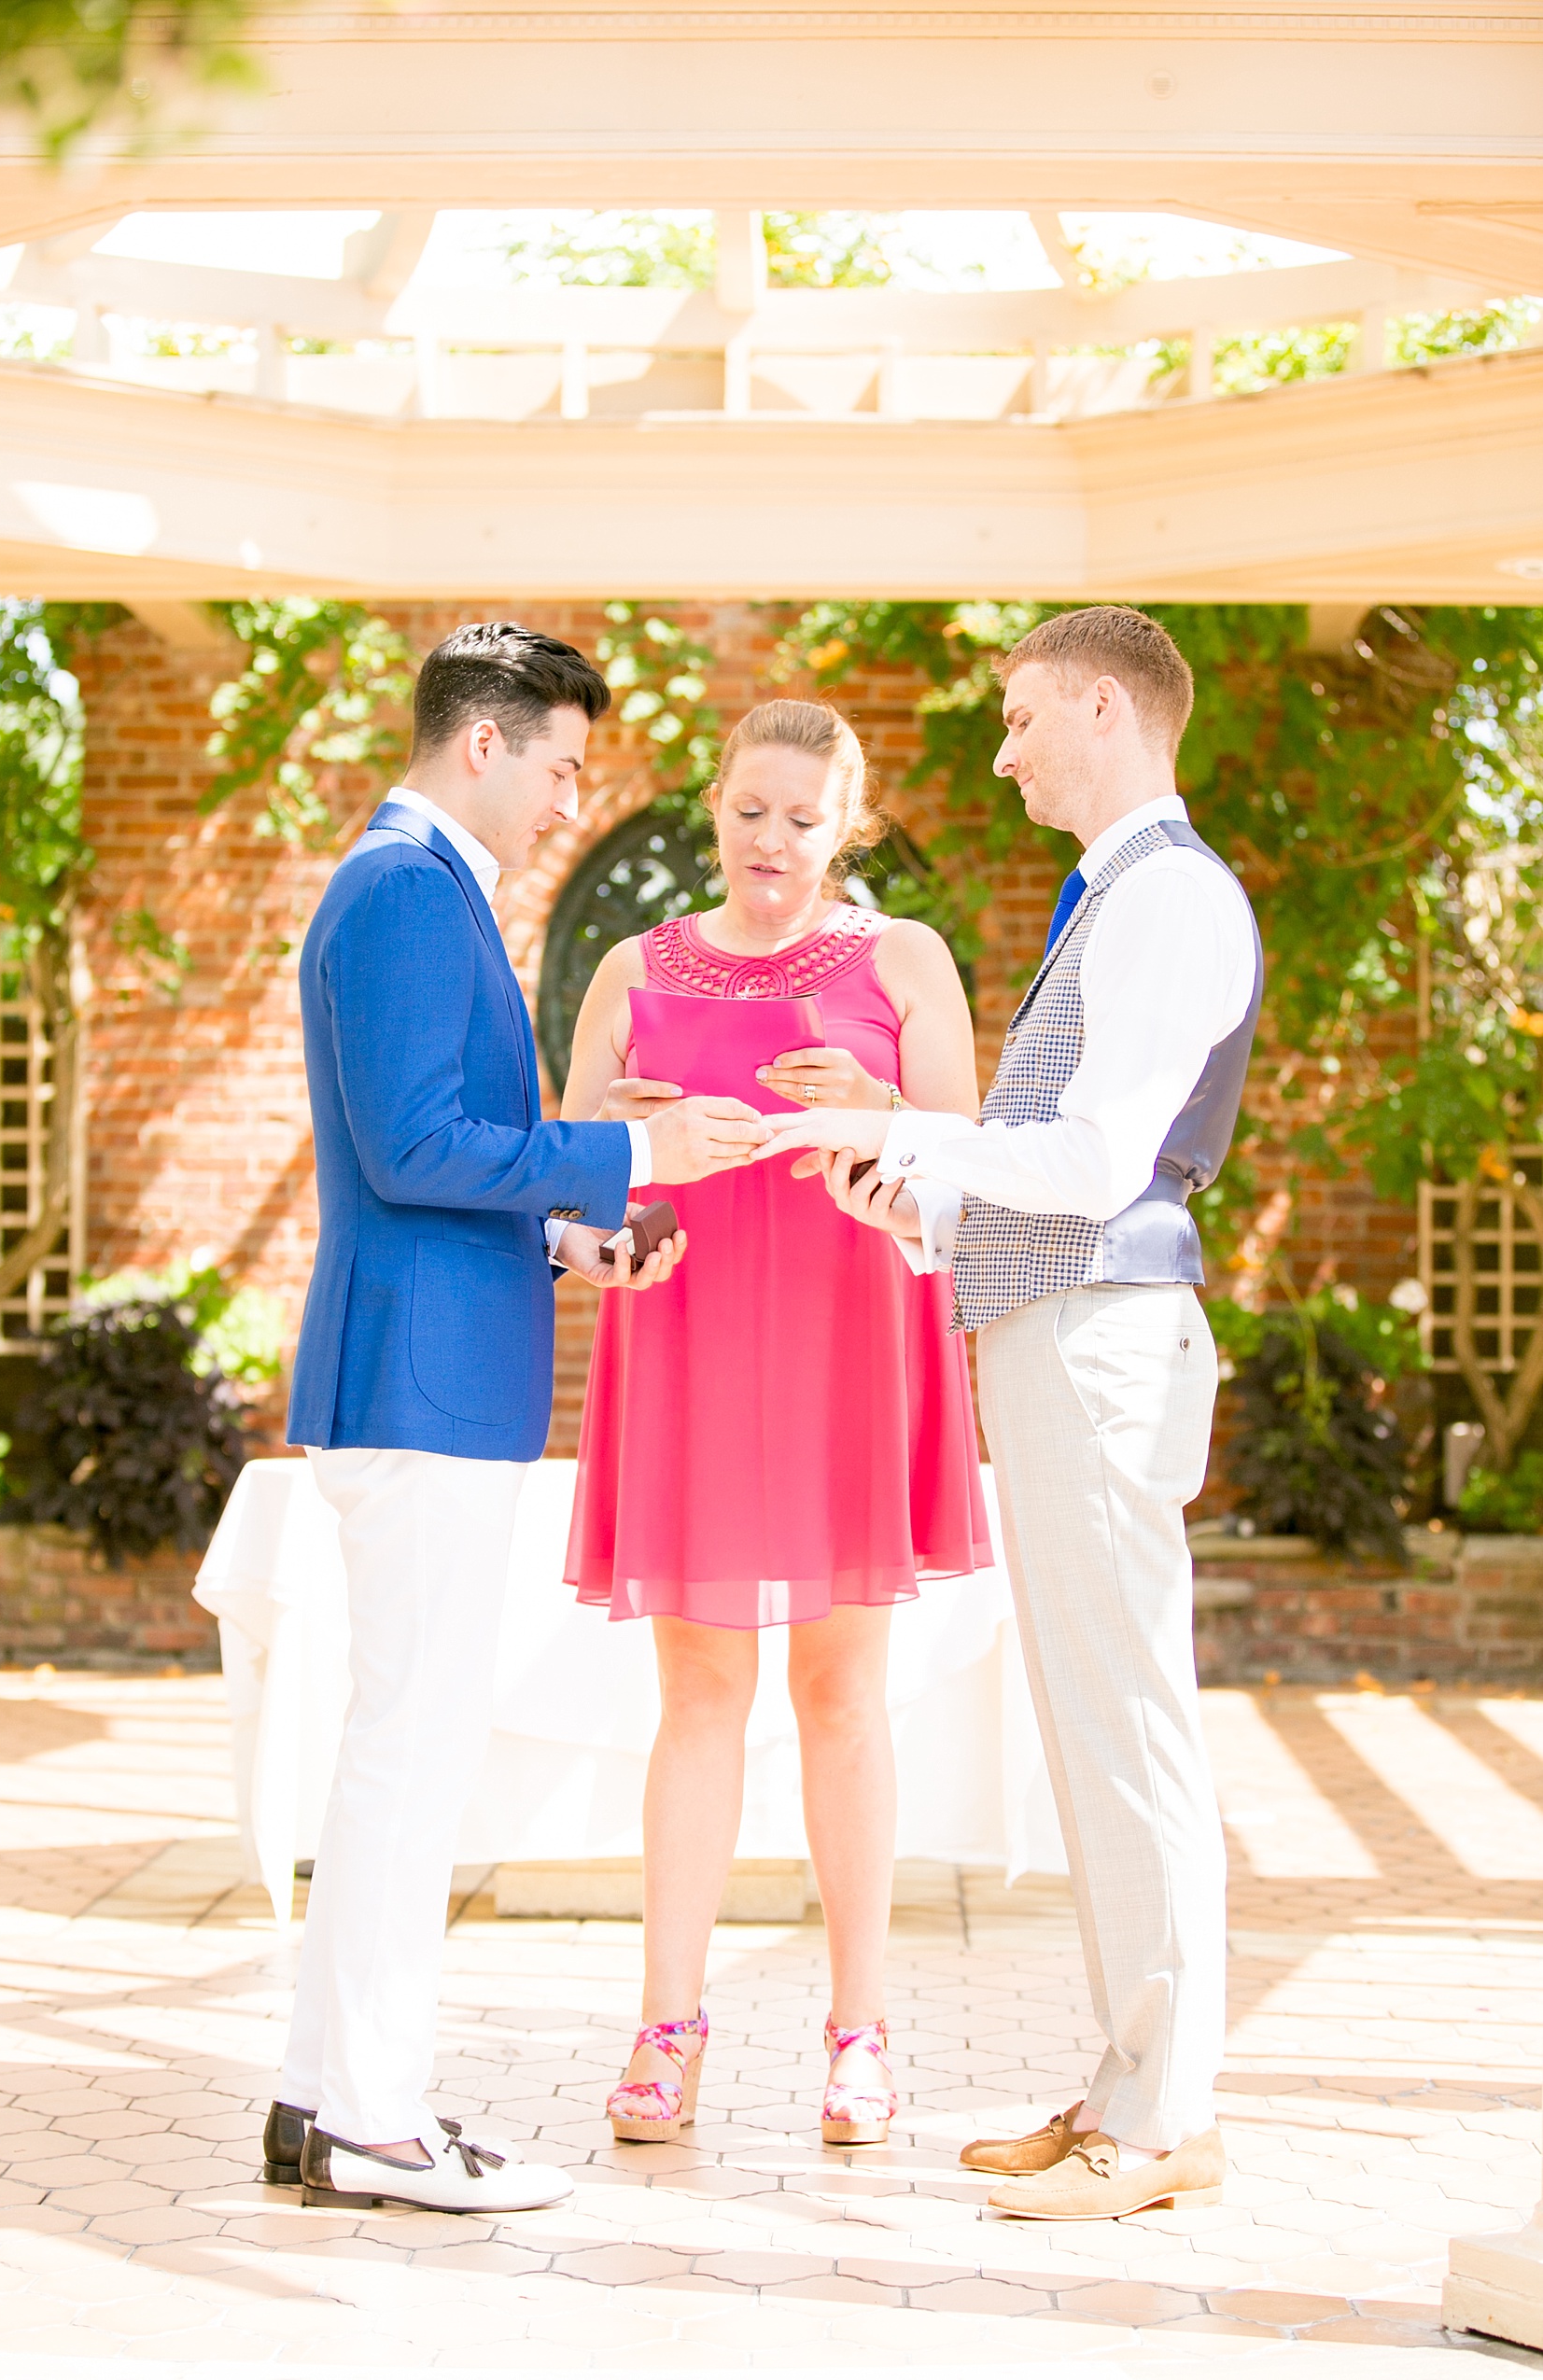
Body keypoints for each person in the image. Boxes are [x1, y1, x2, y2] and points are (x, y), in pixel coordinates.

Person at [266, 622, 771, 2216]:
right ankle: (372, 2115)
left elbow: (423, 1159)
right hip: (421, 1385)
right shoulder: (412, 891)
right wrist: (630, 1159)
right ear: (482, 742)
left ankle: (322, 2096)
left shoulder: (408, 889)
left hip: (422, 1361)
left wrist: (570, 1232)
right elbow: (417, 1145)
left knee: (394, 1752)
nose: (568, 802)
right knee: (410, 1762)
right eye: (560, 768)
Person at [764, 609, 1261, 2220]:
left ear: (1104, 706)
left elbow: (1104, 1162)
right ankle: (1133, 2080)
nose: (1004, 748)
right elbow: (1043, 1172)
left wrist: (919, 1126)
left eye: (1023, 716)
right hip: (1059, 1328)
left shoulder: (1170, 898)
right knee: (1093, 1729)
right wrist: (904, 1195)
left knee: (1128, 1730)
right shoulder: (1117, 896)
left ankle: (1166, 2107)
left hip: (1104, 1346)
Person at [560, 699, 991, 2148]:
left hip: (849, 1339)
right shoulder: (630, 966)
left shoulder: (907, 961)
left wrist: (878, 1105)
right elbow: (568, 1192)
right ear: (717, 804)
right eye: (753, 810)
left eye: (805, 819)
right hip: (684, 1324)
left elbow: (967, 1182)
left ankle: (858, 2034)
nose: (774, 842)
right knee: (695, 1695)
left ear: (845, 825)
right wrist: (614, 1176)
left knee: (839, 1693)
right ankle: (664, 2026)